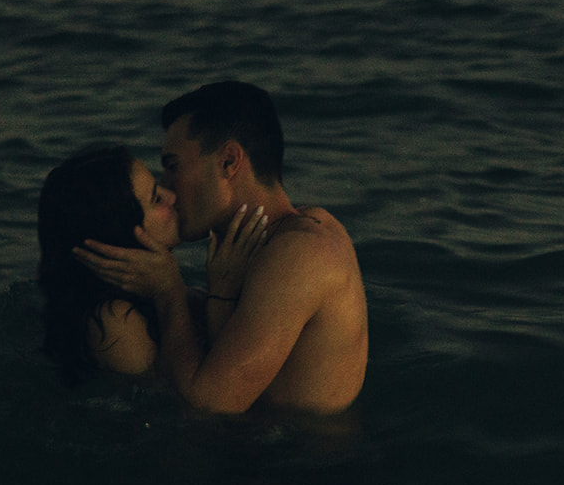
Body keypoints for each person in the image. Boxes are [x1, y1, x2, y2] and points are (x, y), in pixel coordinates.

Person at [73, 82, 369, 415]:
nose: (167, 190)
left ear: (229, 161)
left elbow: (210, 404)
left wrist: (168, 291)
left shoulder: (302, 255)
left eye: (173, 166)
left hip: (298, 463)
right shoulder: (294, 234)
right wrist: (216, 300)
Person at [34, 145, 215, 382]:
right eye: (155, 199)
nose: (171, 197)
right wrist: (169, 292)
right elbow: (172, 408)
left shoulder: (144, 293)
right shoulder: (115, 320)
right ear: (121, 232)